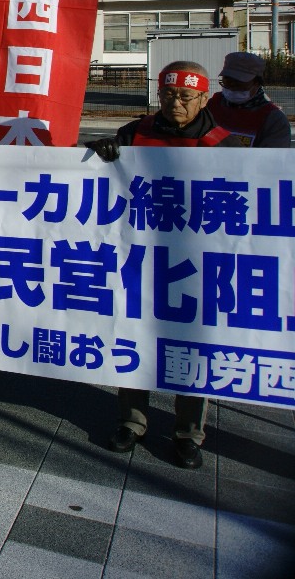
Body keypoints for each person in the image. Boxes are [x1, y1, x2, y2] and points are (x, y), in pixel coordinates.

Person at [87, 60, 242, 469]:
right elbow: (102, 175)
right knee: (133, 337)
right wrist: (99, 153)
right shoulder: (137, 131)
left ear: (204, 99)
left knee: (191, 347)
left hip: (197, 262)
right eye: (169, 94)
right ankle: (132, 420)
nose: (176, 103)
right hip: (141, 256)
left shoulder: (222, 143)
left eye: (186, 97)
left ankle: (188, 433)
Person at [206, 51, 291, 148]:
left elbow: (273, 159)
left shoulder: (273, 119)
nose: (232, 86)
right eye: (227, 80)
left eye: (239, 82)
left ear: (257, 83)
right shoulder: (212, 106)